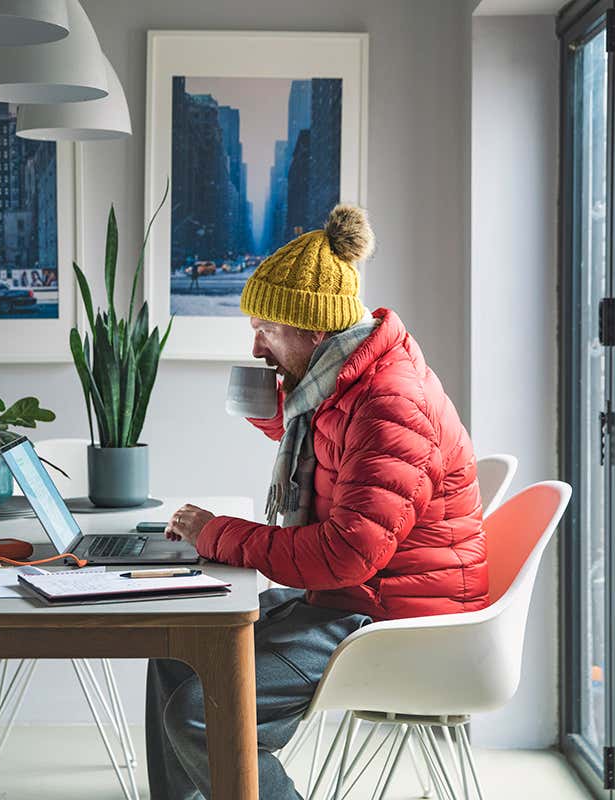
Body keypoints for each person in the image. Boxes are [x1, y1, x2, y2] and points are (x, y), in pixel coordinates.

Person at [148, 205, 489, 799]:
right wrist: (278, 415)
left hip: (393, 618)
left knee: (200, 713)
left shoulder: (390, 403)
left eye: (267, 329)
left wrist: (216, 533)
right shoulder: (345, 383)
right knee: (179, 647)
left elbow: (345, 556)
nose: (256, 347)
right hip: (359, 596)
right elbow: (338, 456)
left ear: (315, 331)